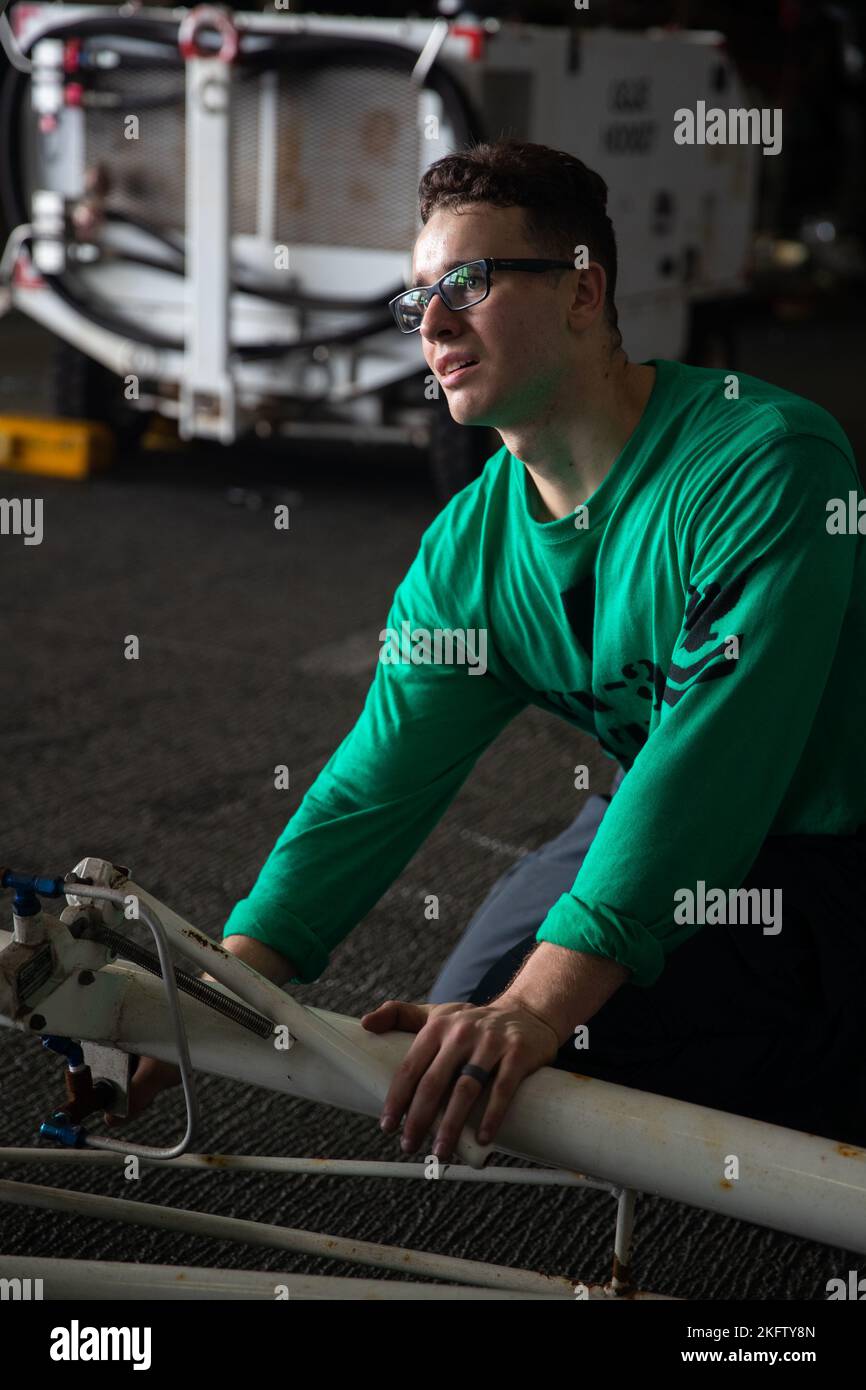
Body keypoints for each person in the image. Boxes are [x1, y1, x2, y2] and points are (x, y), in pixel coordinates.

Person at [114, 138, 866, 1156]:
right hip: (660, 799)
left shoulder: (765, 461)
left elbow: (710, 776)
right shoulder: (467, 546)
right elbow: (369, 789)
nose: (430, 324)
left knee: (564, 1032)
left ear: (581, 290)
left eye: (465, 283)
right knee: (460, 1030)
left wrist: (545, 1008)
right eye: (415, 297)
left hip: (825, 841)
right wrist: (217, 986)